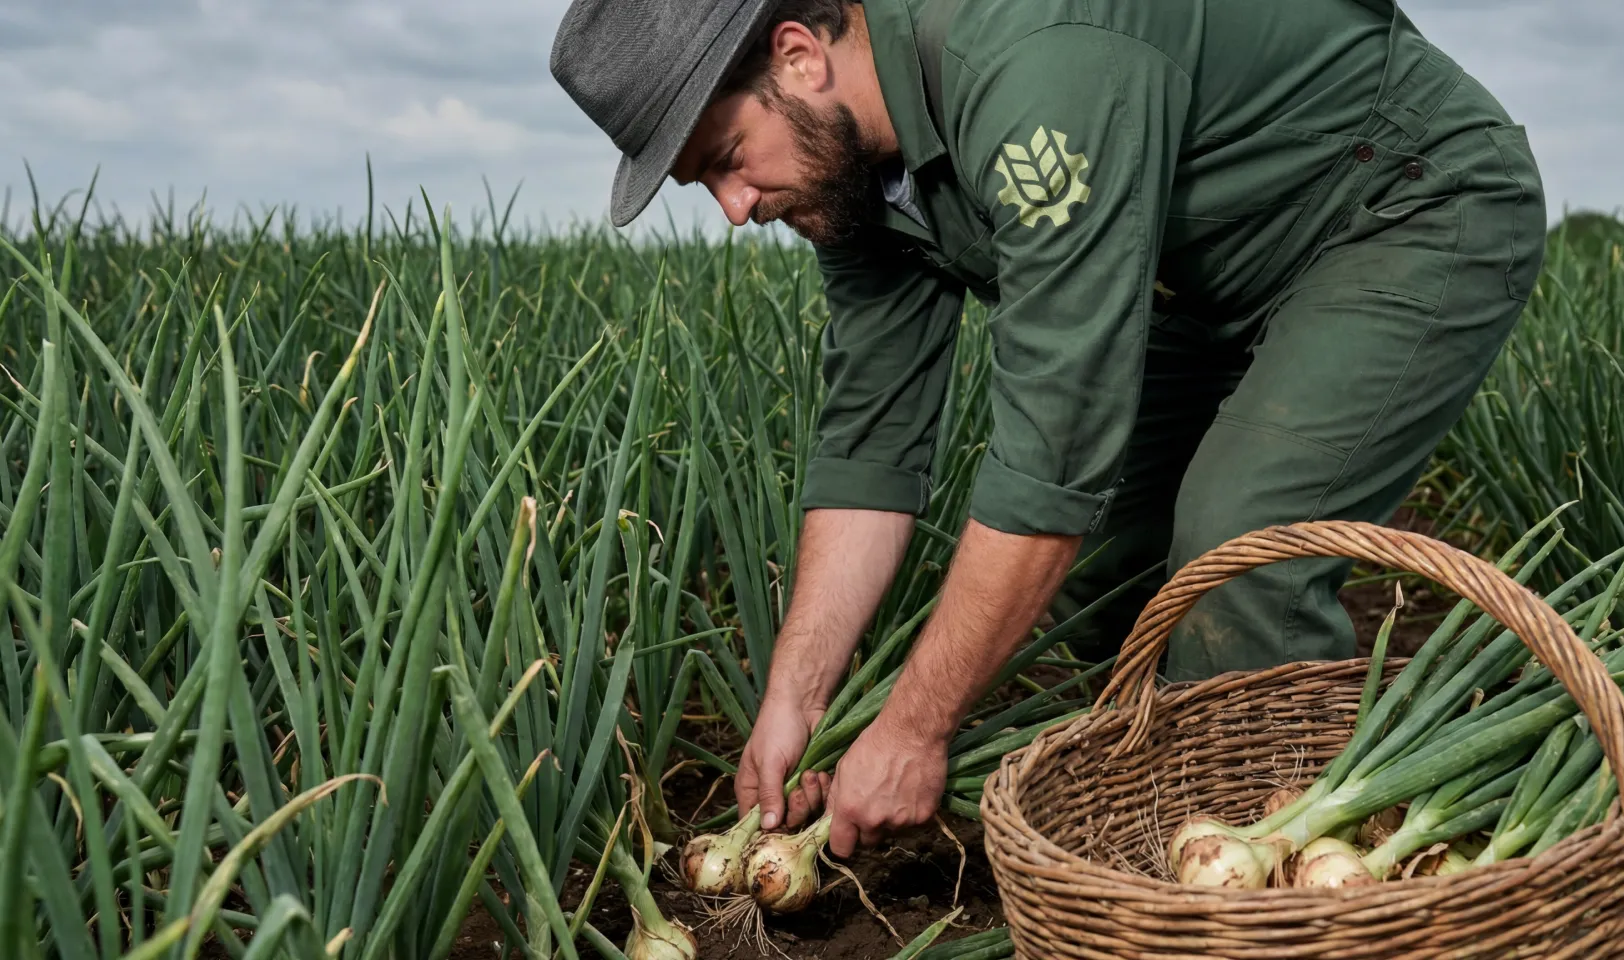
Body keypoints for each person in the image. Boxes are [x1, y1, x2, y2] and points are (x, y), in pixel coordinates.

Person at [549, 0, 1547, 860]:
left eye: (725, 160)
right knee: (1110, 558)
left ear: (800, 56)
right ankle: (1190, 808)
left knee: (1240, 548)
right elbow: (870, 442)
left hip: (1399, 206)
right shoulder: (852, 172)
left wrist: (914, 729)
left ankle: (1287, 866)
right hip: (1193, 280)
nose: (732, 209)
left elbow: (1050, 463)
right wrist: (797, 696)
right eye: (704, 185)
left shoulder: (1030, 61)